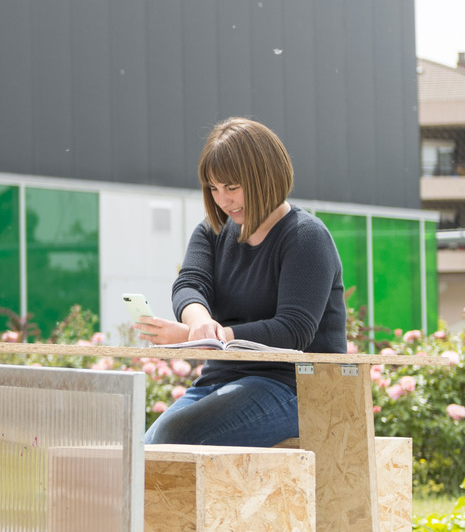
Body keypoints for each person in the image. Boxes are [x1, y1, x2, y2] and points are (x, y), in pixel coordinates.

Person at [135, 116, 347, 447]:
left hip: (296, 388)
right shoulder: (212, 231)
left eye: (232, 188)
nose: (223, 201)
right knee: (142, 452)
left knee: (174, 437)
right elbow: (189, 285)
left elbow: (294, 330)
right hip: (221, 381)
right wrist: (200, 322)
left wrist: (216, 338)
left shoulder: (307, 237)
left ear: (266, 177)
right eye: (214, 189)